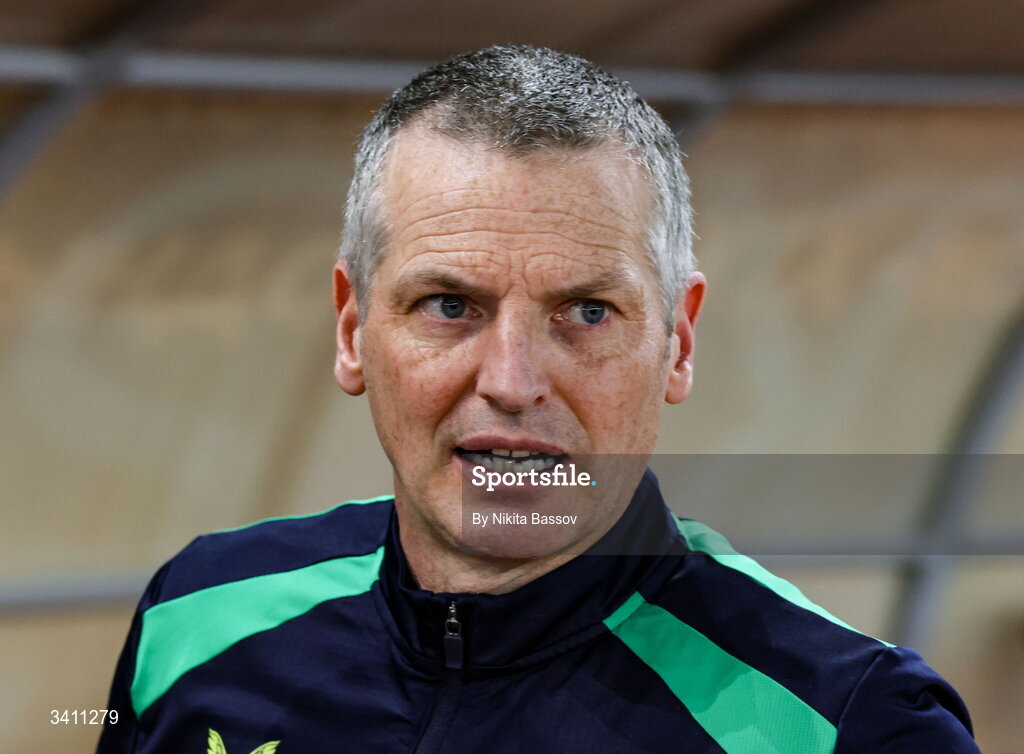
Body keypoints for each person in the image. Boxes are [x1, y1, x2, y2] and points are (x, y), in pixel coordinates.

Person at [99, 45, 979, 753]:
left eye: (587, 312)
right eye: (450, 306)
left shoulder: (850, 725)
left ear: (678, 341)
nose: (513, 383)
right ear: (351, 328)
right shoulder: (198, 613)